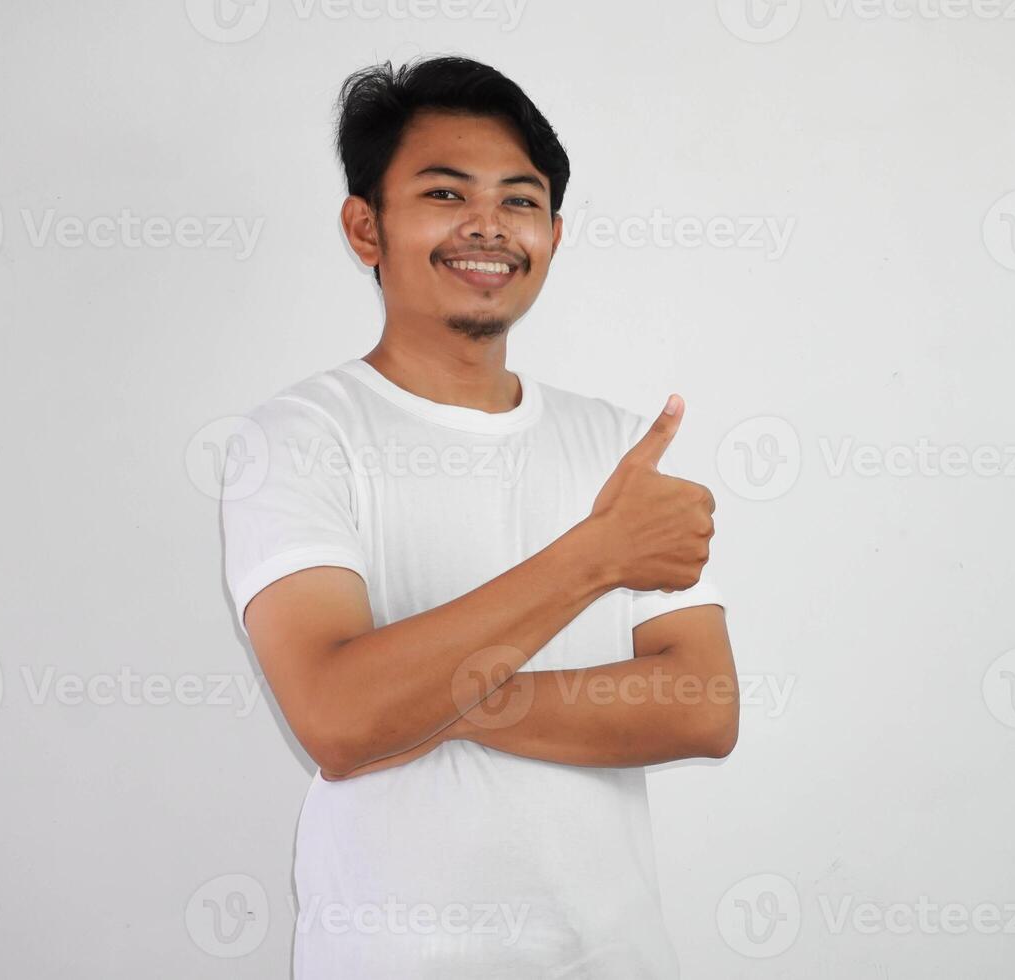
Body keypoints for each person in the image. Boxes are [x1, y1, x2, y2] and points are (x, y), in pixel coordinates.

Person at [220, 54, 738, 979]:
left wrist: (442, 703)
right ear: (364, 226)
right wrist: (595, 557)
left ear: (554, 232)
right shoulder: (294, 440)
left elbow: (703, 706)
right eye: (446, 194)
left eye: (521, 200)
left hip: (616, 957)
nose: (488, 227)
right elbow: (337, 721)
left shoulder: (619, 444)